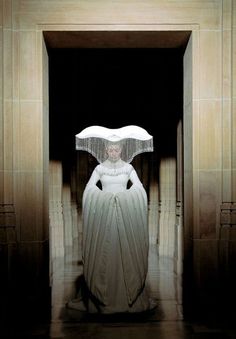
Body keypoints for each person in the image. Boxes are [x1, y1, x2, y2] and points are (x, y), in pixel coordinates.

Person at [71, 126, 155, 314]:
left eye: (117, 149)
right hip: (106, 216)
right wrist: (103, 198)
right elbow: (89, 190)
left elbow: (139, 189)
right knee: (106, 253)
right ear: (106, 150)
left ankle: (128, 299)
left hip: (124, 217)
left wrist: (125, 198)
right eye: (110, 149)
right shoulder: (100, 168)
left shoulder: (129, 168)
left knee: (123, 250)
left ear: (122, 151)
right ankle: (103, 300)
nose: (114, 152)